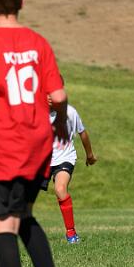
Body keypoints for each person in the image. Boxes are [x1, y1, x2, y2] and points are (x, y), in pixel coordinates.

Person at [0, 0, 69, 267]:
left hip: (4, 145)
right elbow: (59, 96)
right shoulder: (38, 42)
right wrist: (62, 122)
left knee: (2, 225)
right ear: (22, 2)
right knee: (23, 215)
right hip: (37, 142)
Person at [42, 101, 97, 243]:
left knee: (60, 189)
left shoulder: (70, 112)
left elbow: (82, 133)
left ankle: (71, 233)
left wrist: (90, 155)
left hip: (64, 158)